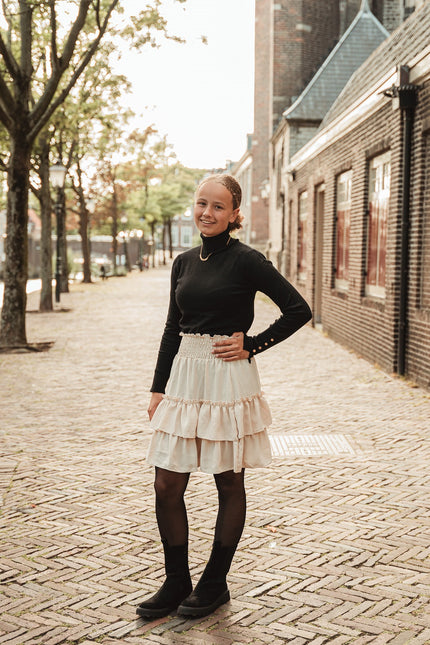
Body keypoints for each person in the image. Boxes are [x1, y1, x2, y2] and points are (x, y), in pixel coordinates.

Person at [137, 174, 312, 620]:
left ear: (234, 214)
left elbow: (299, 310)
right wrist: (158, 387)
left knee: (228, 480)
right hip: (183, 378)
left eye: (218, 207)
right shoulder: (182, 262)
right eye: (201, 204)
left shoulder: (247, 260)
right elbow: (171, 327)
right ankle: (176, 580)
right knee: (166, 481)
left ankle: (214, 583)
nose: (207, 213)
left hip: (227, 380)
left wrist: (252, 344)